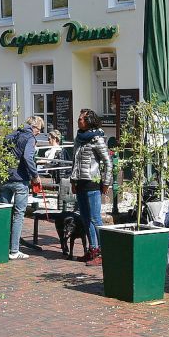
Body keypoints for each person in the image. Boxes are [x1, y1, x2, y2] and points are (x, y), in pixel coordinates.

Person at [70, 109, 112, 266]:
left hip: (92, 183)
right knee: (85, 218)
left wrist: (106, 182)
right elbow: (75, 162)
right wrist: (73, 180)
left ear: (89, 121)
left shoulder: (97, 138)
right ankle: (92, 249)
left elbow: (107, 161)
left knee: (95, 218)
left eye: (81, 119)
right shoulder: (79, 138)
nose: (78, 121)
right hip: (80, 182)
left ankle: (103, 251)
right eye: (79, 118)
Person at [0, 116, 43, 260]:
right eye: (39, 131)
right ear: (35, 128)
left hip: (5, 178)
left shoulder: (13, 134)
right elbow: (28, 157)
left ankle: (1, 247)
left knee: (3, 213)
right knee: (18, 215)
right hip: (20, 179)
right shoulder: (29, 137)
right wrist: (35, 175)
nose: (38, 134)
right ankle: (14, 250)